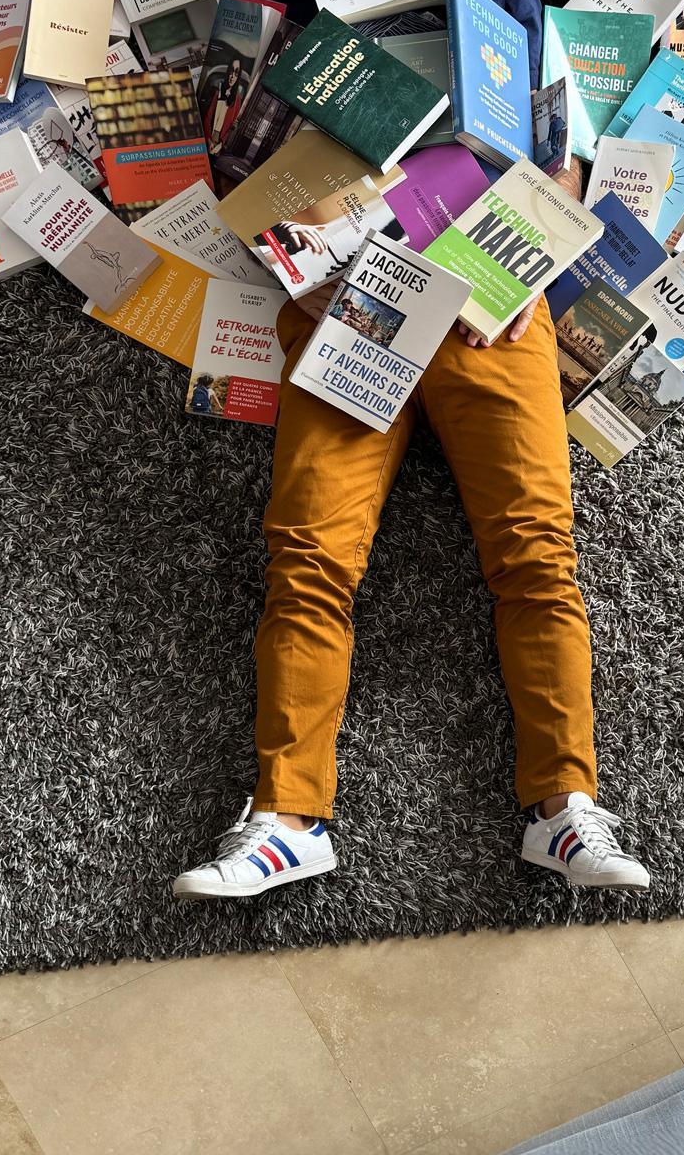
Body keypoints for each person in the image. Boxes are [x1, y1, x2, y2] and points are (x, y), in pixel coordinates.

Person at [173, 154, 650, 900]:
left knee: (538, 557)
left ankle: (565, 810)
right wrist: (297, 264)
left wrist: (527, 258)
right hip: (351, 307)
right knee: (306, 561)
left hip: (488, 310)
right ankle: (288, 821)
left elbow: (575, 158)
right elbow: (243, 166)